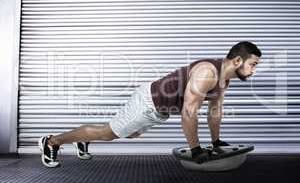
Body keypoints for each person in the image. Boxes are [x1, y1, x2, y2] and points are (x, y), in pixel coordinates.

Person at [39, 41, 262, 167]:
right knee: (109, 133)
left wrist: (216, 142)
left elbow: (215, 113)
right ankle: (51, 141)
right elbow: (188, 113)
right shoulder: (208, 73)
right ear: (237, 61)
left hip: (159, 110)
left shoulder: (224, 80)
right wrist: (195, 149)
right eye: (253, 64)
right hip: (149, 102)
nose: (253, 70)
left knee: (129, 134)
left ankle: (83, 139)